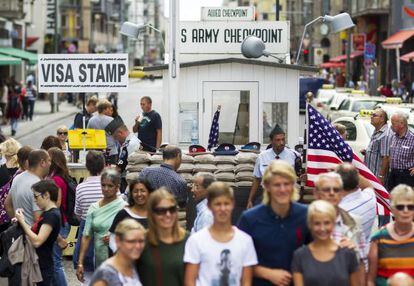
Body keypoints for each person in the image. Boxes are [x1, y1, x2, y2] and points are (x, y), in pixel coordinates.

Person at [238, 160, 311, 286]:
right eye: (277, 185)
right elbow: (236, 258)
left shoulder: (305, 215)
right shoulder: (250, 219)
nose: (282, 189)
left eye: (287, 184)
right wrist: (267, 273)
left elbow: (320, 249)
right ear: (267, 186)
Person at [184, 182, 258, 285]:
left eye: (226, 204)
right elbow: (190, 281)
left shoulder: (245, 241)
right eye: (218, 204)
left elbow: (246, 281)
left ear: (232, 204)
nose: (222, 209)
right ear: (209, 206)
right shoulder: (196, 241)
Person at [313, 172, 367, 281]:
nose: (332, 193)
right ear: (316, 194)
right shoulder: (304, 220)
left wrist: (353, 251)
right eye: (326, 190)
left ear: (342, 193)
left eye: (336, 190)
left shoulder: (354, 221)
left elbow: (362, 262)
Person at [292, 200, 360, 286]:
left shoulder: (348, 254)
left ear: (333, 223)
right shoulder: (300, 256)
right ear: (310, 225)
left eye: (327, 223)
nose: (322, 228)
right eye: (317, 223)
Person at [76, 168, 126, 283]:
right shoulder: (94, 208)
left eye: (110, 186)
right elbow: (86, 236)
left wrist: (115, 238)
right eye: (103, 185)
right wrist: (80, 262)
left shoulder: (123, 207)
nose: (106, 189)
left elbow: (132, 234)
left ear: (117, 187)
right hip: (99, 258)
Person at [137, 188, 189, 286]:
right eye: (161, 211)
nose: (168, 214)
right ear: (151, 213)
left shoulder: (189, 241)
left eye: (172, 209)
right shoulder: (140, 241)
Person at [14, 180, 61, 286]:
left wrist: (22, 221)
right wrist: (22, 222)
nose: (35, 201)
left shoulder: (51, 215)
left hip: (42, 265)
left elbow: (37, 241)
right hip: (41, 263)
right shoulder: (48, 213)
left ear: (46, 195)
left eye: (36, 196)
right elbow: (36, 233)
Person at [367, 184, 414, 286]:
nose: (405, 211)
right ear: (392, 209)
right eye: (400, 207)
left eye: (410, 207)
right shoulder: (379, 238)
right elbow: (370, 279)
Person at [246, 124, 301, 208]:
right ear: (271, 141)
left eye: (283, 139)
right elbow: (257, 179)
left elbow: (298, 176)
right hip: (267, 195)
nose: (281, 143)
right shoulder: (262, 157)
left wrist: (302, 177)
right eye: (278, 140)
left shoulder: (294, 155)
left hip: (287, 195)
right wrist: (250, 200)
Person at [73, 150, 105, 283]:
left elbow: (78, 214)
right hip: (105, 229)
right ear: (103, 165)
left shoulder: (81, 187)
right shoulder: (110, 186)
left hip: (86, 227)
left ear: (87, 166)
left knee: (86, 268)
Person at [89, 219, 145, 286]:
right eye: (131, 241)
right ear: (118, 241)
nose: (138, 246)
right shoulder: (105, 274)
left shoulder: (138, 267)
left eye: (141, 241)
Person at [5, 149, 51, 226]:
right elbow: (38, 219)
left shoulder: (18, 178)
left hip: (20, 234)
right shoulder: (38, 185)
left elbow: (7, 205)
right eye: (49, 160)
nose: (50, 163)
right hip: (33, 235)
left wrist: (19, 225)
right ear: (42, 163)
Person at [108, 178, 154, 253]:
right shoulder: (123, 214)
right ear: (131, 194)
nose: (139, 194)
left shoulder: (156, 215)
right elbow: (113, 237)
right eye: (135, 191)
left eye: (143, 191)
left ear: (149, 193)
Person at [47, 147, 71, 286]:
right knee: (55, 261)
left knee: (56, 262)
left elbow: (57, 203)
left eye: (49, 159)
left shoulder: (56, 179)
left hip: (58, 223)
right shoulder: (61, 176)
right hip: (62, 221)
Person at [336, 163, 377, 242]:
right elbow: (368, 186)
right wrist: (353, 173)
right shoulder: (369, 198)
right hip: (364, 249)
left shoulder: (340, 212)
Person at [0, 145, 32, 232]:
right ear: (27, 161)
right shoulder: (22, 176)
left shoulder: (16, 175)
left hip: (14, 220)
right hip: (24, 222)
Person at [106, 118, 141, 192]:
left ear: (120, 133)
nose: (116, 140)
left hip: (129, 181)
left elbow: (119, 168)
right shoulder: (134, 140)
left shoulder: (129, 144)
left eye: (115, 137)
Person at [362, 108, 391, 186]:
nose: (371, 117)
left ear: (382, 119)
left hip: (377, 176)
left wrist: (381, 176)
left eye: (374, 115)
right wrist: (367, 151)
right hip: (371, 174)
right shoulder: (376, 131)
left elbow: (386, 157)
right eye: (371, 115)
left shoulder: (385, 134)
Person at [388, 112, 414, 189]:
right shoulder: (393, 137)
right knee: (392, 198)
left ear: (402, 124)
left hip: (407, 176)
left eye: (393, 123)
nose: (391, 126)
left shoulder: (412, 138)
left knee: (405, 199)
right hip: (393, 173)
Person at [87, 99, 118, 163]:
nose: (110, 110)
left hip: (96, 152)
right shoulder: (111, 120)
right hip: (111, 151)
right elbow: (117, 136)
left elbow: (88, 135)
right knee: (110, 171)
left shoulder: (91, 120)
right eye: (109, 108)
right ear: (104, 109)